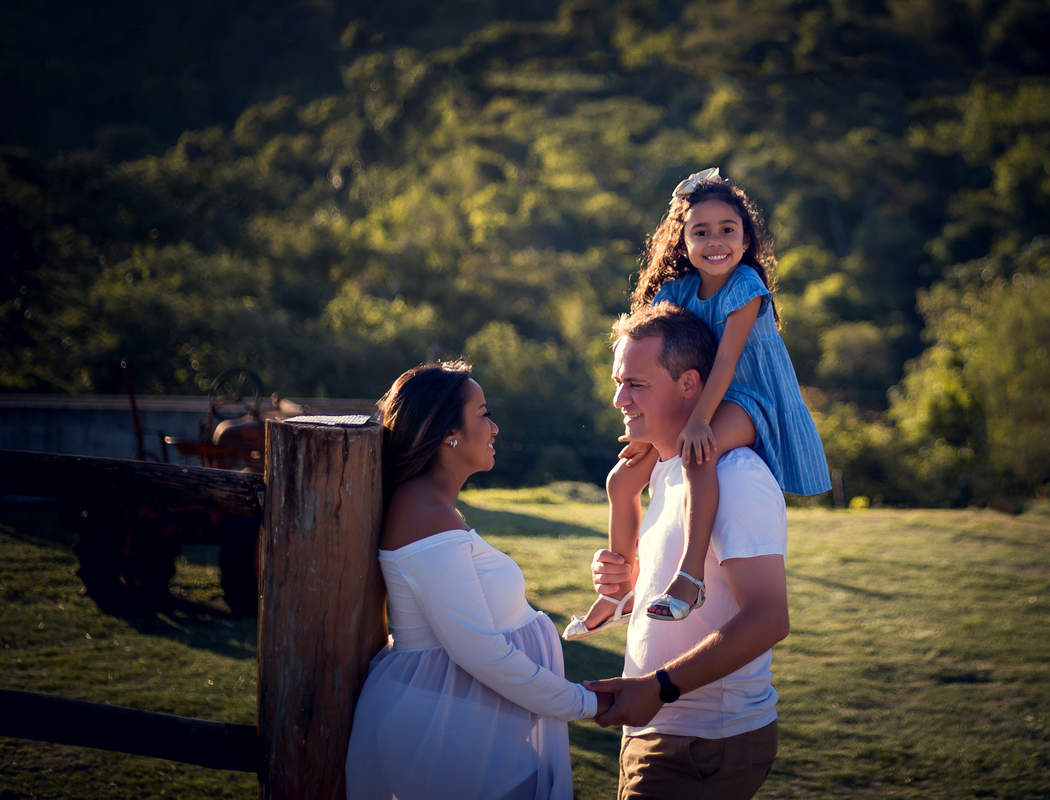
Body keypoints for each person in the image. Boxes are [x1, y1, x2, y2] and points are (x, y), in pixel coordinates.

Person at [564, 167, 829, 638]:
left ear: (746, 239)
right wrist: (644, 424)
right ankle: (618, 591)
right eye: (700, 232)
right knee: (622, 480)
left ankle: (690, 578)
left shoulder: (746, 284)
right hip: (703, 399)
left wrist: (698, 422)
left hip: (752, 399)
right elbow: (649, 351)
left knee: (695, 454)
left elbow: (727, 360)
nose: (715, 241)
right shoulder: (676, 291)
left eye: (728, 230)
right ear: (681, 241)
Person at [346, 360, 609, 800]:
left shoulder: (431, 507)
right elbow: (479, 650)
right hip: (446, 733)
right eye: (484, 414)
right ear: (448, 432)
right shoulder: (424, 514)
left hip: (463, 723)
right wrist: (584, 702)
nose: (495, 427)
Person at [583, 304, 793, 799]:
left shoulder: (735, 477)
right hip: (662, 731)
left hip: (701, 744)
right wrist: (629, 587)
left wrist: (658, 687)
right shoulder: (667, 469)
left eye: (637, 384)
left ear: (689, 384)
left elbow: (768, 618)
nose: (619, 398)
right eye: (618, 381)